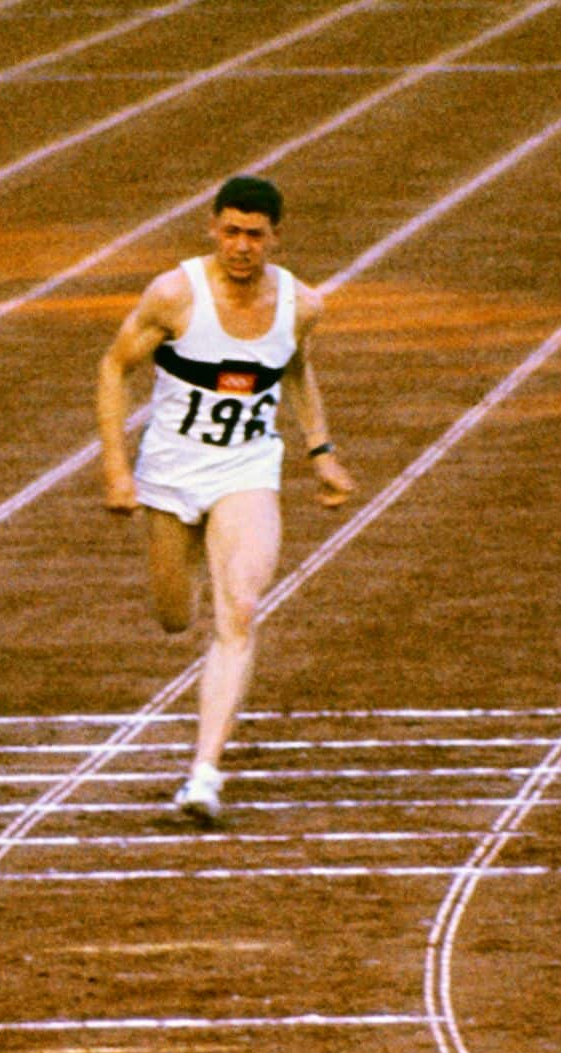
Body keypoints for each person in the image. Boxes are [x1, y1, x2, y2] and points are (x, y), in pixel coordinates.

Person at [97, 175, 356, 824]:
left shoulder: (301, 305)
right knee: (174, 615)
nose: (242, 246)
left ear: (275, 238)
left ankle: (204, 775)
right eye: (231, 231)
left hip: (247, 467)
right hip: (170, 472)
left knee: (239, 607)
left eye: (255, 235)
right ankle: (204, 766)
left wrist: (319, 450)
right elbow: (112, 367)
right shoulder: (174, 294)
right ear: (213, 228)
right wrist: (116, 471)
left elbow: (292, 364)